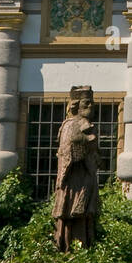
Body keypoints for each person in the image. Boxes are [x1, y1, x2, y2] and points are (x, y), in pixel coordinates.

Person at [52, 85, 99, 250]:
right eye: (86, 103)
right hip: (74, 181)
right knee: (74, 215)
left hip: (83, 179)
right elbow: (70, 152)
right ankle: (73, 252)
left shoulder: (83, 124)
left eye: (92, 103)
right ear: (76, 105)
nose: (90, 106)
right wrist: (87, 142)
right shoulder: (72, 124)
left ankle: (81, 251)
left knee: (83, 217)